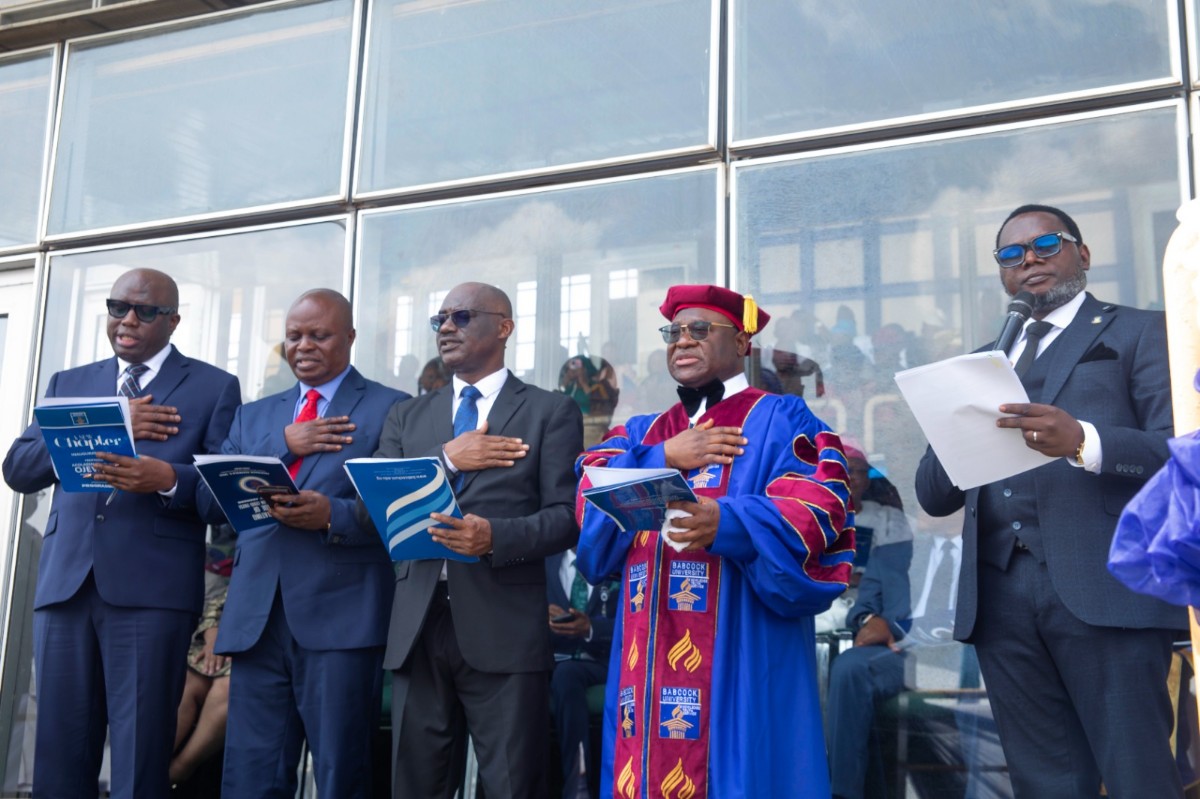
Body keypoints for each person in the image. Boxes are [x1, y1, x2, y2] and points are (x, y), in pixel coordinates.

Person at [915, 204, 1187, 798]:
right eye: (1011, 255)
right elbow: (933, 495)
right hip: (1000, 599)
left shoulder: (1140, 331)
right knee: (1046, 783)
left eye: (1045, 244)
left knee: (1139, 774)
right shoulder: (984, 359)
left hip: (1106, 588)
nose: (1029, 260)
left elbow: (1183, 452)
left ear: (1082, 254)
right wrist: (951, 427)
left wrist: (1085, 441)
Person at [575, 284, 855, 798]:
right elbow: (591, 515)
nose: (682, 341)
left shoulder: (781, 419)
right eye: (674, 332)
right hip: (647, 654)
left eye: (700, 329)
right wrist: (663, 458)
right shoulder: (641, 433)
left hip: (739, 646)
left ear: (743, 342)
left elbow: (820, 511)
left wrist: (727, 525)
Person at [2, 268, 242, 799]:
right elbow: (18, 469)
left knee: (140, 755)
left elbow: (224, 497)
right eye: (117, 307)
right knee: (59, 753)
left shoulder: (212, 387)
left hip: (151, 595)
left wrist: (170, 480)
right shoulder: (71, 383)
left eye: (145, 310)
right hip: (66, 587)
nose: (128, 320)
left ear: (173, 320)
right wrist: (112, 420)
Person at [372, 281, 583, 799]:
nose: (446, 327)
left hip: (504, 626)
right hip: (418, 626)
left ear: (504, 327)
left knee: (512, 785)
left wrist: (494, 537)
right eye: (439, 319)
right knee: (415, 785)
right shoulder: (407, 416)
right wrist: (446, 459)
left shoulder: (549, 411)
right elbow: (370, 506)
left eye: (462, 316)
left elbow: (566, 519)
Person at [198, 288, 406, 798]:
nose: (303, 345)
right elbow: (208, 503)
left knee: (341, 773)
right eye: (294, 336)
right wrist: (284, 443)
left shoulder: (391, 408)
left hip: (341, 618)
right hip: (256, 619)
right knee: (251, 774)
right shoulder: (255, 417)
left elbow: (401, 508)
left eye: (319, 334)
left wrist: (330, 514)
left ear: (350, 338)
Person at [546, 549, 619, 799]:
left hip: (601, 663)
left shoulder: (614, 558)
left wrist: (590, 627)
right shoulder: (544, 562)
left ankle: (578, 785)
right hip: (548, 663)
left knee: (567, 675)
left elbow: (632, 621)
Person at [169, 531, 234, 788]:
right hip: (208, 617)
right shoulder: (220, 542)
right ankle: (143, 777)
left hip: (252, 626)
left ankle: (177, 770)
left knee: (226, 691)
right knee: (186, 687)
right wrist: (211, 630)